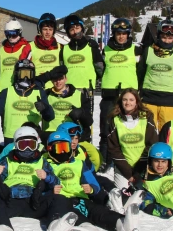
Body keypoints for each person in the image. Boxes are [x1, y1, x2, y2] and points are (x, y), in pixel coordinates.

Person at [0, 126, 73, 231]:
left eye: (31, 145)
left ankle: (56, 223)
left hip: (35, 201)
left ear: (37, 145)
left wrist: (47, 177)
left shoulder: (42, 162)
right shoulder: (7, 160)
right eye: (23, 145)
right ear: (16, 145)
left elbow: (56, 184)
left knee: (59, 198)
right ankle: (3, 226)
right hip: (11, 200)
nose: (27, 149)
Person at [45, 131, 143, 231]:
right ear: (50, 149)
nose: (63, 152)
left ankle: (120, 223)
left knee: (97, 211)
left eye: (65, 147)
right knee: (62, 210)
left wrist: (91, 189)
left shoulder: (79, 163)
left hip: (81, 197)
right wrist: (50, 190)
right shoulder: (47, 165)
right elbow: (40, 187)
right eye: (59, 148)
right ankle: (59, 227)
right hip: (61, 198)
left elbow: (93, 182)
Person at [0, 59, 54, 145]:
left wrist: (45, 109)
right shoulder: (6, 92)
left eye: (28, 74)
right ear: (16, 74)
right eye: (22, 74)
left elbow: (50, 117)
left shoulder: (39, 92)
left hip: (32, 137)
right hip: (11, 138)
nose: (25, 77)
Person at [99, 18, 141, 169]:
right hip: (109, 95)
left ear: (128, 34)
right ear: (114, 34)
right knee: (106, 130)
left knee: (127, 130)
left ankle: (126, 161)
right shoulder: (106, 50)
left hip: (128, 97)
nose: (121, 36)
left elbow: (141, 71)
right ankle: (104, 161)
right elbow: (101, 68)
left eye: (124, 33)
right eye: (118, 33)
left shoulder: (136, 50)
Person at [139, 19, 173, 131]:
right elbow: (140, 75)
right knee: (147, 133)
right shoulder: (149, 51)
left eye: (170, 38)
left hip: (170, 101)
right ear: (158, 35)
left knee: (166, 134)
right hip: (148, 100)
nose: (167, 41)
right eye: (164, 37)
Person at [105, 88, 158, 192]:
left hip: (144, 166)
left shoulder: (146, 117)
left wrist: (138, 172)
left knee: (142, 197)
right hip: (123, 167)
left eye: (131, 100)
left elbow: (151, 144)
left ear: (137, 102)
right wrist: (129, 174)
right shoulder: (115, 120)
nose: (127, 102)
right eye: (125, 100)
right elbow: (114, 149)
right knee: (121, 197)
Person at [60, 15, 104, 124]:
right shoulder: (64, 49)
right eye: (71, 29)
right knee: (68, 121)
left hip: (86, 90)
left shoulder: (91, 46)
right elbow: (60, 70)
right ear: (68, 32)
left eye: (77, 28)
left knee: (85, 122)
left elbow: (100, 68)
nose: (75, 32)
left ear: (82, 28)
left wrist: (94, 79)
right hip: (68, 90)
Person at [42, 65, 93, 143]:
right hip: (52, 134)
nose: (58, 82)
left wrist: (81, 113)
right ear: (52, 81)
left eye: (61, 79)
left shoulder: (79, 95)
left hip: (72, 134)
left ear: (66, 79)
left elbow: (89, 121)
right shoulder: (46, 94)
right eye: (55, 80)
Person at [0, 19, 32, 91]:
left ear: (19, 33)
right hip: (2, 87)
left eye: (13, 34)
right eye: (8, 34)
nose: (10, 37)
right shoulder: (2, 49)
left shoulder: (25, 48)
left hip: (18, 88)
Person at [29, 13, 61, 87]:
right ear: (40, 29)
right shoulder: (30, 47)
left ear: (54, 30)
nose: (48, 32)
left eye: (50, 29)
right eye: (45, 29)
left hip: (55, 89)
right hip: (37, 87)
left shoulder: (60, 47)